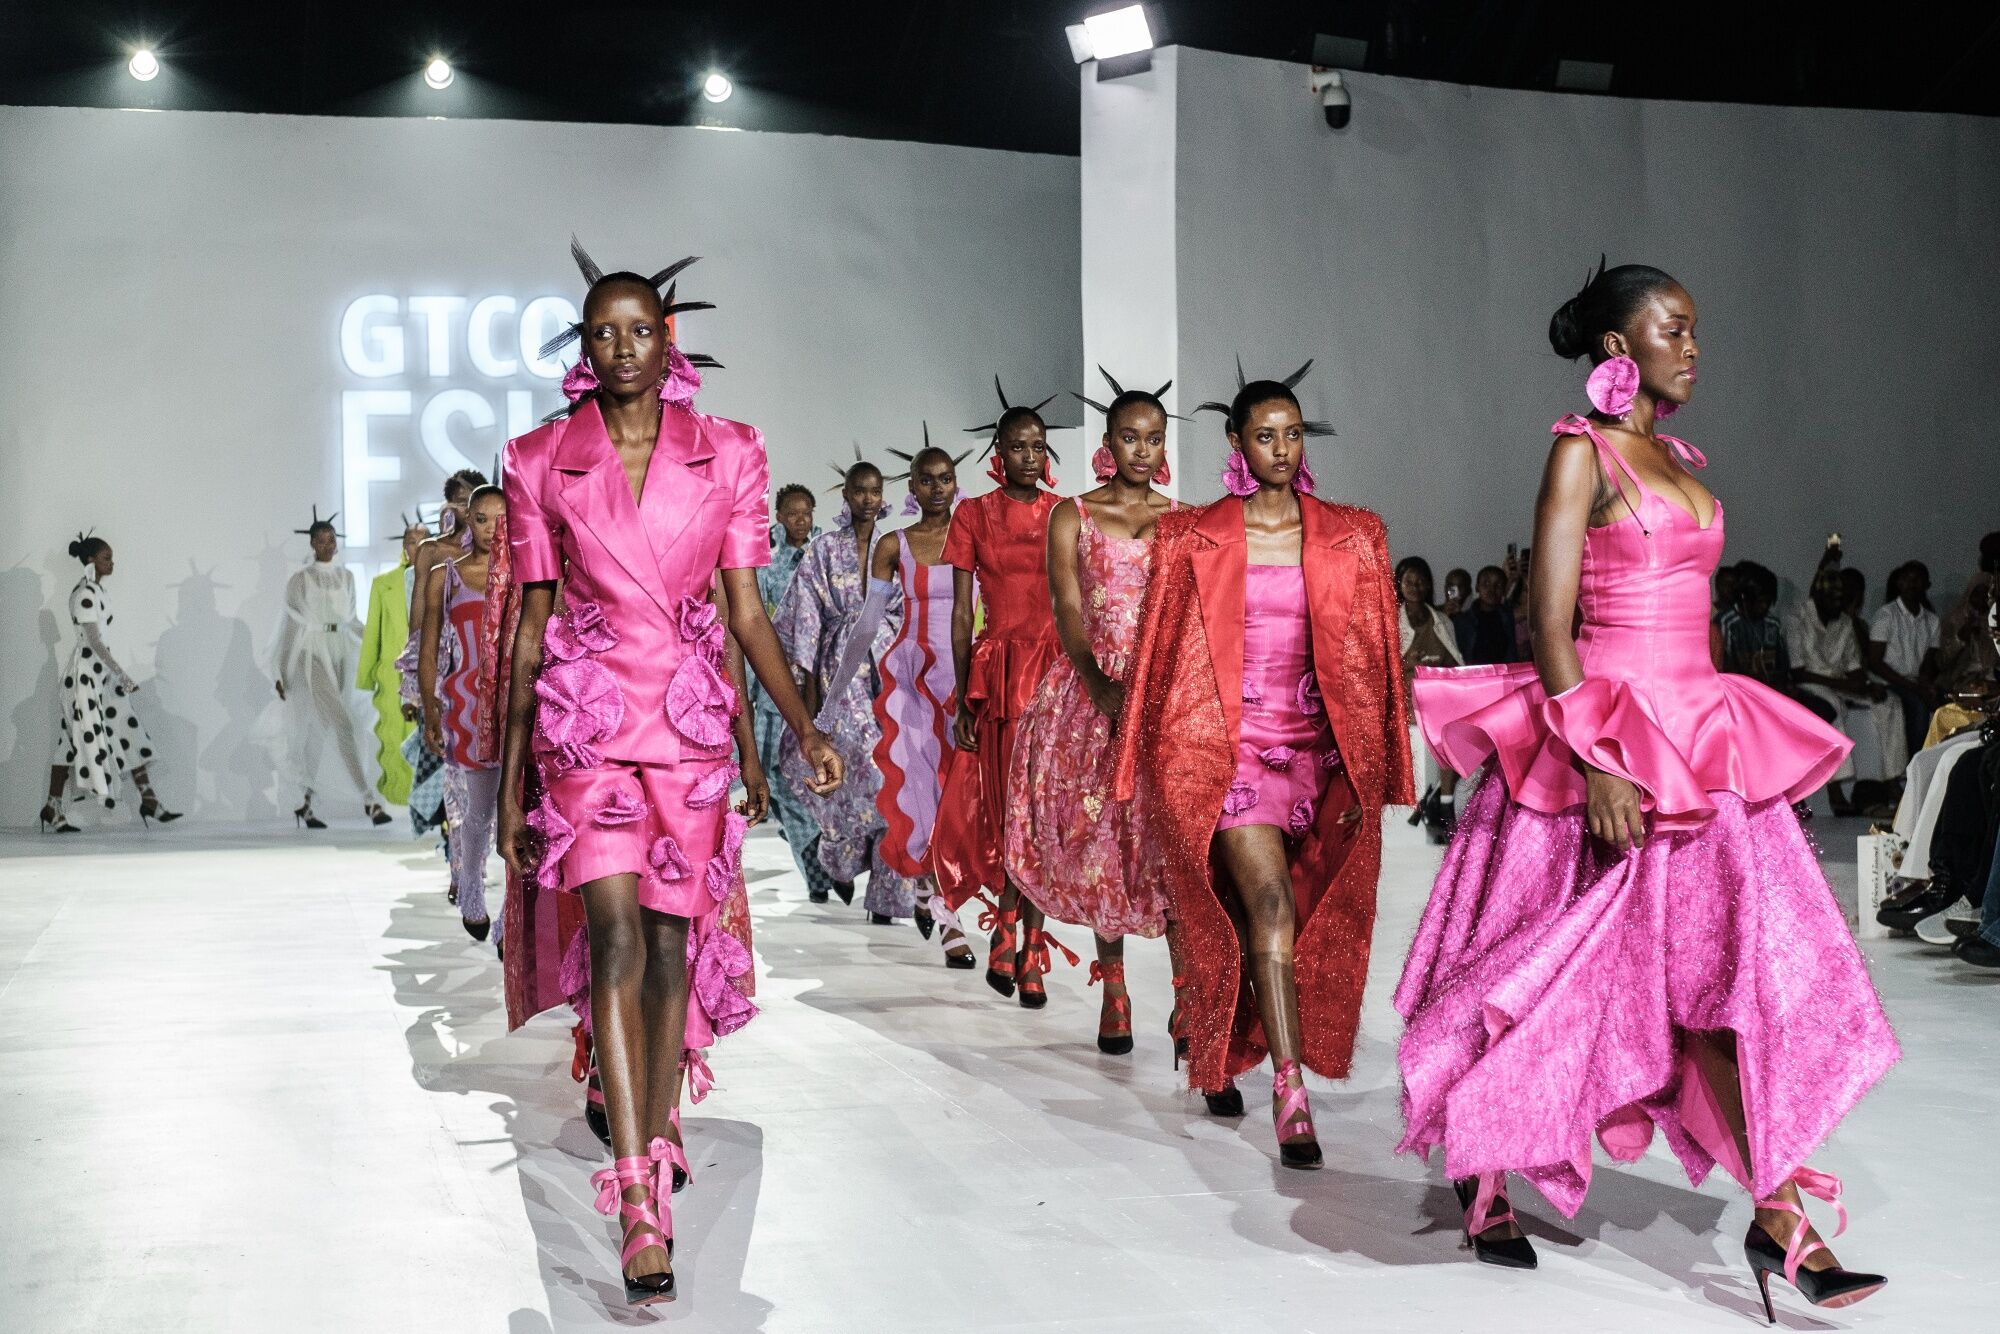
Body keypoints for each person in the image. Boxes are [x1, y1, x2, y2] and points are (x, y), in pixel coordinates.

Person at [1397, 261, 1894, 1317]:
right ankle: (1484, 1176)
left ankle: (1779, 1218)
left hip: (1695, 738)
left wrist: (1721, 746)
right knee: (1536, 972)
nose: (1692, 347)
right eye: (1674, 329)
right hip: (1603, 745)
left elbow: (1693, 620)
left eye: (1695, 330)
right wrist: (1592, 756)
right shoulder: (1576, 454)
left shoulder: (1673, 456)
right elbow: (1546, 615)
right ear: (1617, 350)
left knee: (1718, 990)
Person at [495, 244, 839, 1305]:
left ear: (667, 339)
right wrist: (509, 778)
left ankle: (654, 1124)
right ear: (580, 349)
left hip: (686, 723)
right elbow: (527, 625)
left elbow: (745, 609)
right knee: (611, 934)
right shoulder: (539, 457)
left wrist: (797, 727)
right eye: (601, 332)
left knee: (668, 945)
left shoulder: (729, 451)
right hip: (588, 720)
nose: (622, 347)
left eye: (639, 329)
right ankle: (637, 1189)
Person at [1115, 375, 1411, 1168]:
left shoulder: (1355, 535)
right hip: (1232, 753)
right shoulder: (1193, 539)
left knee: (1296, 920)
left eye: (1293, 435)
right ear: (1238, 447)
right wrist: (1148, 764)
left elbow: (1381, 660)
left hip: (1322, 760)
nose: (1282, 450)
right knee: (1271, 909)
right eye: (1265, 436)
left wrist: (1380, 768)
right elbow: (1157, 659)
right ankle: (1290, 1089)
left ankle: (1238, 1038)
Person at [1007, 382, 1175, 1049]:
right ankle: (1116, 991)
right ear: (1109, 443)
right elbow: (1068, 608)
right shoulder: (1072, 515)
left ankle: (1189, 1000)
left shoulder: (1183, 520)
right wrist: (1097, 682)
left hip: (1165, 695)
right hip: (1092, 691)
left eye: (1153, 437)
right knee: (1107, 842)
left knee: (1171, 844)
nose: (1141, 448)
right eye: (1129, 436)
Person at [929, 385, 1066, 1003]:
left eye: (1039, 446)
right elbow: (962, 616)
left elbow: (1079, 603)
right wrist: (962, 696)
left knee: (1043, 815)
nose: (1030, 456)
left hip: (1058, 675)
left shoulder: (1066, 514)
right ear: (998, 453)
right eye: (1018, 446)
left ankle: (1024, 943)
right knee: (1008, 810)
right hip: (1002, 674)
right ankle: (1012, 929)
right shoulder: (973, 516)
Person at [774, 460, 925, 923]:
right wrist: (808, 694)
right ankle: (838, 857)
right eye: (859, 491)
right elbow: (804, 617)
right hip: (839, 676)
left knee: (892, 779)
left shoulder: (899, 548)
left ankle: (887, 896)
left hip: (891, 672)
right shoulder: (823, 550)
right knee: (856, 775)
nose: (867, 499)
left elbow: (914, 609)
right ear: (847, 496)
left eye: (875, 491)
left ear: (884, 497)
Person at [869, 440, 976, 965]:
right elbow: (870, 621)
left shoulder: (975, 533)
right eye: (926, 479)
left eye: (946, 478)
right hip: (911, 676)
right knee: (923, 790)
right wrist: (837, 690)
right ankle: (948, 914)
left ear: (957, 483)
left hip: (965, 675)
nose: (937, 488)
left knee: (963, 792)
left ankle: (936, 890)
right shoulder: (894, 545)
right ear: (911, 487)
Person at [40, 534, 180, 831]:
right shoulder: (85, 594)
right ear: (91, 561)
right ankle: (53, 807)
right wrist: (122, 674)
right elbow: (93, 642)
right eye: (106, 558)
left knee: (127, 729)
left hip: (100, 675)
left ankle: (148, 797)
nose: (112, 563)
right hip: (86, 678)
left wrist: (115, 674)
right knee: (73, 742)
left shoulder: (97, 592)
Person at [420, 485, 507, 941]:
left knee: (522, 811)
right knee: (479, 811)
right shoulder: (445, 575)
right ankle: (471, 886)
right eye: (482, 518)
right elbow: (429, 649)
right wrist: (429, 708)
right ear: (466, 521)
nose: (492, 528)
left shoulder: (527, 575)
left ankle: (511, 920)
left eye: (500, 518)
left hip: (519, 703)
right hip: (469, 702)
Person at [272, 510, 390, 828]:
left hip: (340, 654)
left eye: (331, 539)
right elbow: (291, 627)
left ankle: (305, 803)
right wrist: (281, 670)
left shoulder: (347, 578)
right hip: (310, 656)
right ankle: (369, 801)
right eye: (321, 539)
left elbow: (351, 621)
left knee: (320, 730)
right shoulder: (300, 580)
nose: (327, 544)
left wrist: (383, 645)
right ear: (311, 543)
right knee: (343, 724)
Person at [751, 484, 837, 903]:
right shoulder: (766, 556)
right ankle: (811, 851)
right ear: (780, 515)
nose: (801, 520)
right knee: (770, 770)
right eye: (792, 513)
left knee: (799, 770)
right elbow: (754, 616)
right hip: (774, 671)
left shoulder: (826, 550)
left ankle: (821, 853)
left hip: (820, 669)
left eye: (806, 512)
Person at [1789, 561, 1906, 815]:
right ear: (1819, 596)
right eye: (1832, 599)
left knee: (1889, 702)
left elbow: (1853, 667)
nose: (1838, 605)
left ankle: (1892, 779)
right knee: (1833, 707)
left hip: (1839, 682)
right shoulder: (1798, 618)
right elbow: (1798, 671)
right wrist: (1846, 685)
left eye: (1841, 599)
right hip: (1809, 684)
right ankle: (1835, 789)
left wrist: (1866, 686)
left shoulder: (1843, 622)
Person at [356, 515, 427, 808]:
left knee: (425, 737)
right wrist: (366, 675)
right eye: (412, 541)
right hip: (390, 670)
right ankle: (399, 792)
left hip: (428, 668)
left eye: (424, 540)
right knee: (393, 731)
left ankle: (425, 799)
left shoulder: (443, 578)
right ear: (403, 546)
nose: (418, 546)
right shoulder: (383, 583)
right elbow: (373, 629)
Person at [1397, 555, 1462, 841]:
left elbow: (1456, 662)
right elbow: (1375, 667)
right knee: (1438, 729)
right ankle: (1437, 803)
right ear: (1399, 583)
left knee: (1458, 731)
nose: (1415, 585)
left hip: (1438, 692)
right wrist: (1405, 662)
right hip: (1404, 697)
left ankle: (1442, 801)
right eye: (1409, 580)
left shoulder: (1442, 620)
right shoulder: (1387, 618)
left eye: (1420, 580)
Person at [1869, 560, 1941, 761]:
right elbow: (1875, 662)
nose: (1912, 584)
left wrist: (1925, 684)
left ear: (1927, 585)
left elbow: (1929, 661)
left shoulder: (1932, 620)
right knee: (1917, 704)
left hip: (1913, 681)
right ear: (1899, 583)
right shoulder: (1885, 615)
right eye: (1907, 579)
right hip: (1888, 681)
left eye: (1917, 580)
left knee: (1942, 699)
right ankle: (1913, 765)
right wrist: (1915, 687)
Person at [1453, 564, 1517, 665]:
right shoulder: (1463, 621)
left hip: (1503, 675)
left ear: (1504, 590)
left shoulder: (1509, 617)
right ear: (1477, 587)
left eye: (1498, 585)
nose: (1491, 589)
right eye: (1486, 584)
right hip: (1473, 676)